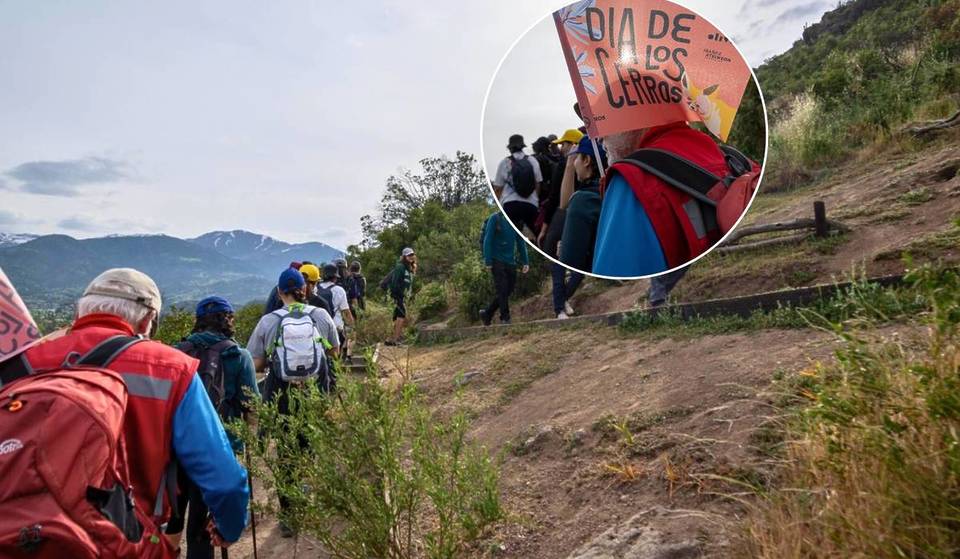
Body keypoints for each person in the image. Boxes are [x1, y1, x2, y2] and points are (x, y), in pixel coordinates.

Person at [23, 268, 250, 552]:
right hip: (129, 537)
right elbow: (223, 478)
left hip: (30, 537)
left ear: (80, 312)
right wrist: (229, 527)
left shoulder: (24, 363)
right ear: (148, 319)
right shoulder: (171, 369)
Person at [246, 268, 339, 537]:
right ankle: (308, 495)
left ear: (279, 293)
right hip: (313, 391)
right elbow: (333, 352)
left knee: (286, 451)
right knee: (309, 443)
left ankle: (289, 514)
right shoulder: (320, 315)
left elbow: (257, 361)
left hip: (281, 394)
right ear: (305, 289)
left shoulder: (268, 321)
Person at [169, 296, 260, 559]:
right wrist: (246, 444)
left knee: (172, 517)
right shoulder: (238, 355)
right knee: (200, 522)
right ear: (228, 319)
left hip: (175, 448)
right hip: (217, 449)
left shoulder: (177, 352)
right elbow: (252, 406)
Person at [592, 123, 733, 276]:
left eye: (603, 122)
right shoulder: (726, 155)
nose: (598, 137)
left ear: (635, 115)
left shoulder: (630, 182)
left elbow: (613, 280)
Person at [539, 129, 587, 319]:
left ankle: (560, 304)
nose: (560, 148)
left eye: (564, 144)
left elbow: (553, 200)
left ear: (573, 145)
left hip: (563, 217)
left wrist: (544, 228)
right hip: (575, 218)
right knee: (570, 266)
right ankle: (560, 306)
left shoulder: (563, 166)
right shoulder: (585, 163)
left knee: (564, 266)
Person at [558, 135, 608, 273]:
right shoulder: (614, 192)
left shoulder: (583, 201)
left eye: (577, 158)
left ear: (586, 160)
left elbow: (570, 262)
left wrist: (564, 249)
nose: (574, 163)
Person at [479, 211, 529, 326]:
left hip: (510, 260)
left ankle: (487, 313)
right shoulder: (495, 218)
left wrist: (525, 261)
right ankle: (505, 318)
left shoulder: (516, 222)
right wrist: (488, 260)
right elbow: (488, 239)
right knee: (502, 289)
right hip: (496, 259)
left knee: (508, 290)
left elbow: (520, 241)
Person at [492, 134, 543, 236]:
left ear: (510, 148)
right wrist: (534, 199)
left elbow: (498, 188)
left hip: (510, 204)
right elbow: (538, 184)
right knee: (537, 234)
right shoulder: (532, 161)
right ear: (522, 147)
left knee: (506, 235)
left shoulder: (504, 162)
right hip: (530, 205)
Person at [319, 263, 354, 358]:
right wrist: (352, 325)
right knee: (335, 354)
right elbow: (346, 311)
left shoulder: (315, 289)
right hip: (335, 328)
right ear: (335, 277)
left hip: (318, 328)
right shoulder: (339, 290)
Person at [386, 247, 416, 346]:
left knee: (397, 317)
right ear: (404, 256)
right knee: (401, 315)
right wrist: (398, 296)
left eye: (412, 255)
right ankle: (396, 339)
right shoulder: (400, 267)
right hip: (397, 295)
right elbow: (395, 283)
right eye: (409, 255)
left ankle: (391, 339)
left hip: (403, 296)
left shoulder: (409, 268)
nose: (411, 257)